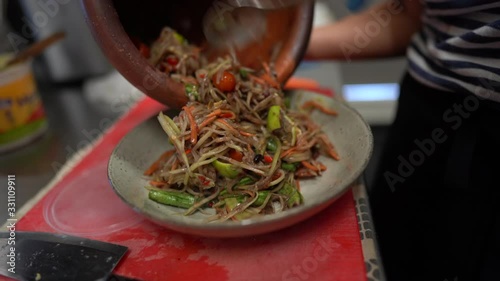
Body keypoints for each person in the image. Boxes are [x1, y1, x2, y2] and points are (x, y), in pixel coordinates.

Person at [306, 1, 500, 280]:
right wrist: (295, 45)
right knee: (388, 251)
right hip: (423, 114)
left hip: (484, 138)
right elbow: (407, 16)